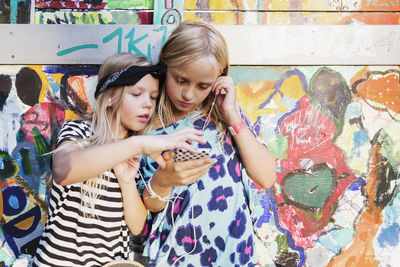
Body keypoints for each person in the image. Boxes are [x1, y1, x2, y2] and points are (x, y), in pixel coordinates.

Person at [32, 53, 205, 267]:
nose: (147, 104)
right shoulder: (82, 131)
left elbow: (136, 225)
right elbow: (64, 170)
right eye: (137, 94)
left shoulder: (134, 149)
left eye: (152, 97)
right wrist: (138, 144)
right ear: (112, 96)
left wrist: (126, 183)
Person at [139, 21, 277, 266]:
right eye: (180, 80)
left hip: (234, 253)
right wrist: (163, 181)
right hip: (177, 257)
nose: (188, 94)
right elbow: (149, 206)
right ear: (165, 65)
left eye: (202, 85)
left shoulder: (223, 116)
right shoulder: (146, 123)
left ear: (219, 78)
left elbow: (266, 177)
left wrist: (233, 116)